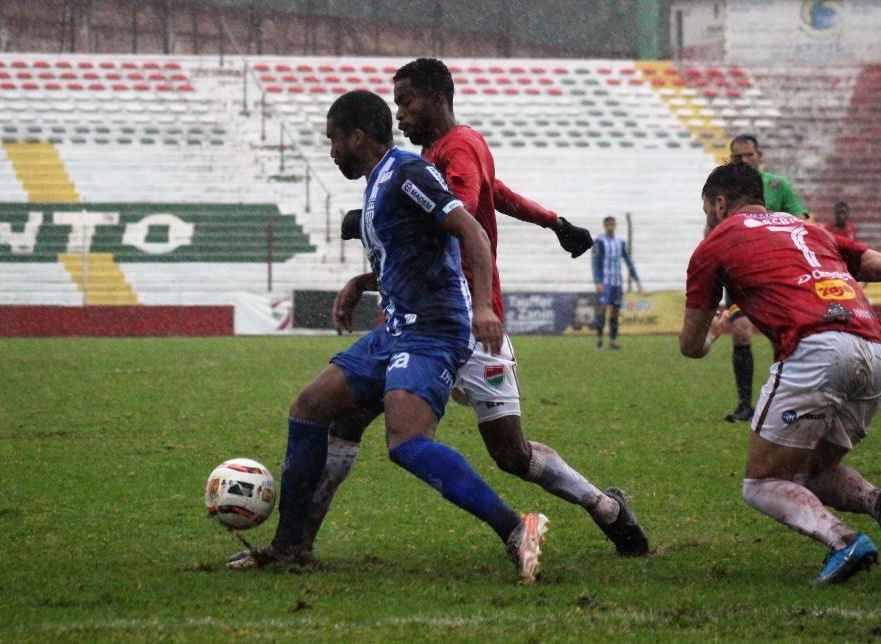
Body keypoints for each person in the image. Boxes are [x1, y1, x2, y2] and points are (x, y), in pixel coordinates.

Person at [232, 58, 648, 567]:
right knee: (322, 411)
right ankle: (292, 546)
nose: (400, 113)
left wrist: (483, 304)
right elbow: (452, 223)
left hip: (457, 327)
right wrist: (554, 222)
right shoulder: (406, 167)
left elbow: (466, 220)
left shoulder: (440, 156)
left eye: (406, 101)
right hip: (407, 326)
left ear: (434, 99)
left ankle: (581, 513)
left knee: (500, 453)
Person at [229, 90, 549, 583]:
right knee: (309, 408)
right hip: (397, 327)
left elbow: (472, 233)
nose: (332, 151)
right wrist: (361, 283)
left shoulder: (407, 173)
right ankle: (289, 546)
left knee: (406, 442)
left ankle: (515, 528)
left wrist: (484, 306)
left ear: (358, 137)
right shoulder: (379, 181)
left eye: (334, 140)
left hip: (433, 330)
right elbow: (410, 255)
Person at [680, 161, 881, 584]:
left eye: (706, 212)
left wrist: (714, 332)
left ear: (719, 204)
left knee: (761, 484)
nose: (707, 221)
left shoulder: (715, 244)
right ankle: (875, 502)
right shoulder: (807, 227)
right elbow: (871, 262)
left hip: (817, 351)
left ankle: (843, 541)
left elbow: (690, 345)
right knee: (808, 475)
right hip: (873, 349)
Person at [720, 134, 810, 422]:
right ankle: (744, 404)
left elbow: (801, 219)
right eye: (738, 157)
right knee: (741, 332)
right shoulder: (725, 191)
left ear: (760, 156)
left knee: (779, 339)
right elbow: (714, 229)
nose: (744, 161)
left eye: (749, 155)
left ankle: (780, 401)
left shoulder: (777, 185)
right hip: (740, 276)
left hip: (776, 275)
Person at [592, 216, 642, 350]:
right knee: (602, 309)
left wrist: (636, 279)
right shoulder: (599, 242)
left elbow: (628, 260)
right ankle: (599, 339)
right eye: (608, 225)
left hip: (617, 283)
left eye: (612, 225)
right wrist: (597, 282)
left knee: (615, 312)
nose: (610, 227)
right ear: (604, 226)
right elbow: (595, 263)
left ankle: (613, 340)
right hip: (605, 282)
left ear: (615, 226)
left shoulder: (620, 242)